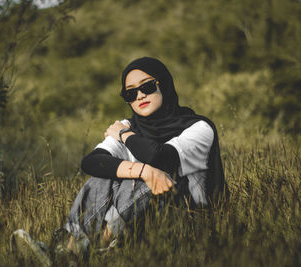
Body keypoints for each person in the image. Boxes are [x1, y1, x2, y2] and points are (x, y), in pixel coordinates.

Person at [12, 57, 227, 265]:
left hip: (190, 227)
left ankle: (84, 253)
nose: (140, 95)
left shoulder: (198, 128)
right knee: (108, 175)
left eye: (148, 87)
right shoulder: (129, 126)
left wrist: (127, 138)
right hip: (139, 227)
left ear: (164, 84)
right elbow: (92, 162)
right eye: (131, 93)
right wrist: (141, 169)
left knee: (144, 178)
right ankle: (70, 250)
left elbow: (160, 157)